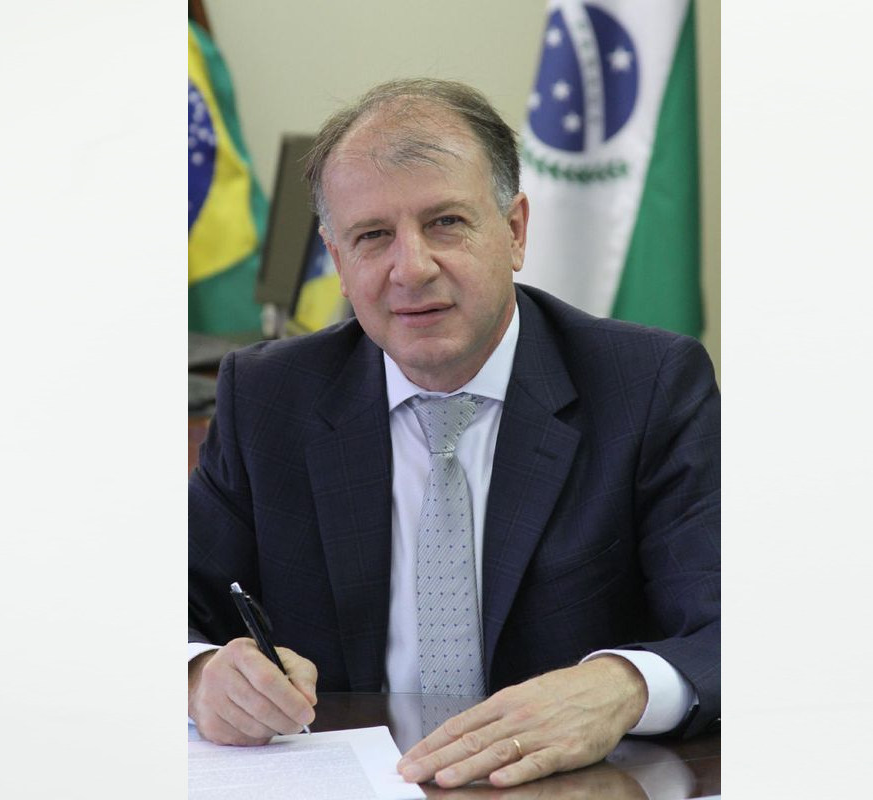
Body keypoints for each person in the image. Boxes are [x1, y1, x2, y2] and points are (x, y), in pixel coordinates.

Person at [188, 78, 719, 790]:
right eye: (373, 236)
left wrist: (624, 684)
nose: (411, 268)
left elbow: (734, 624)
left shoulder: (647, 388)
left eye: (445, 223)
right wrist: (199, 674)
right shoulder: (268, 398)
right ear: (338, 262)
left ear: (515, 231)